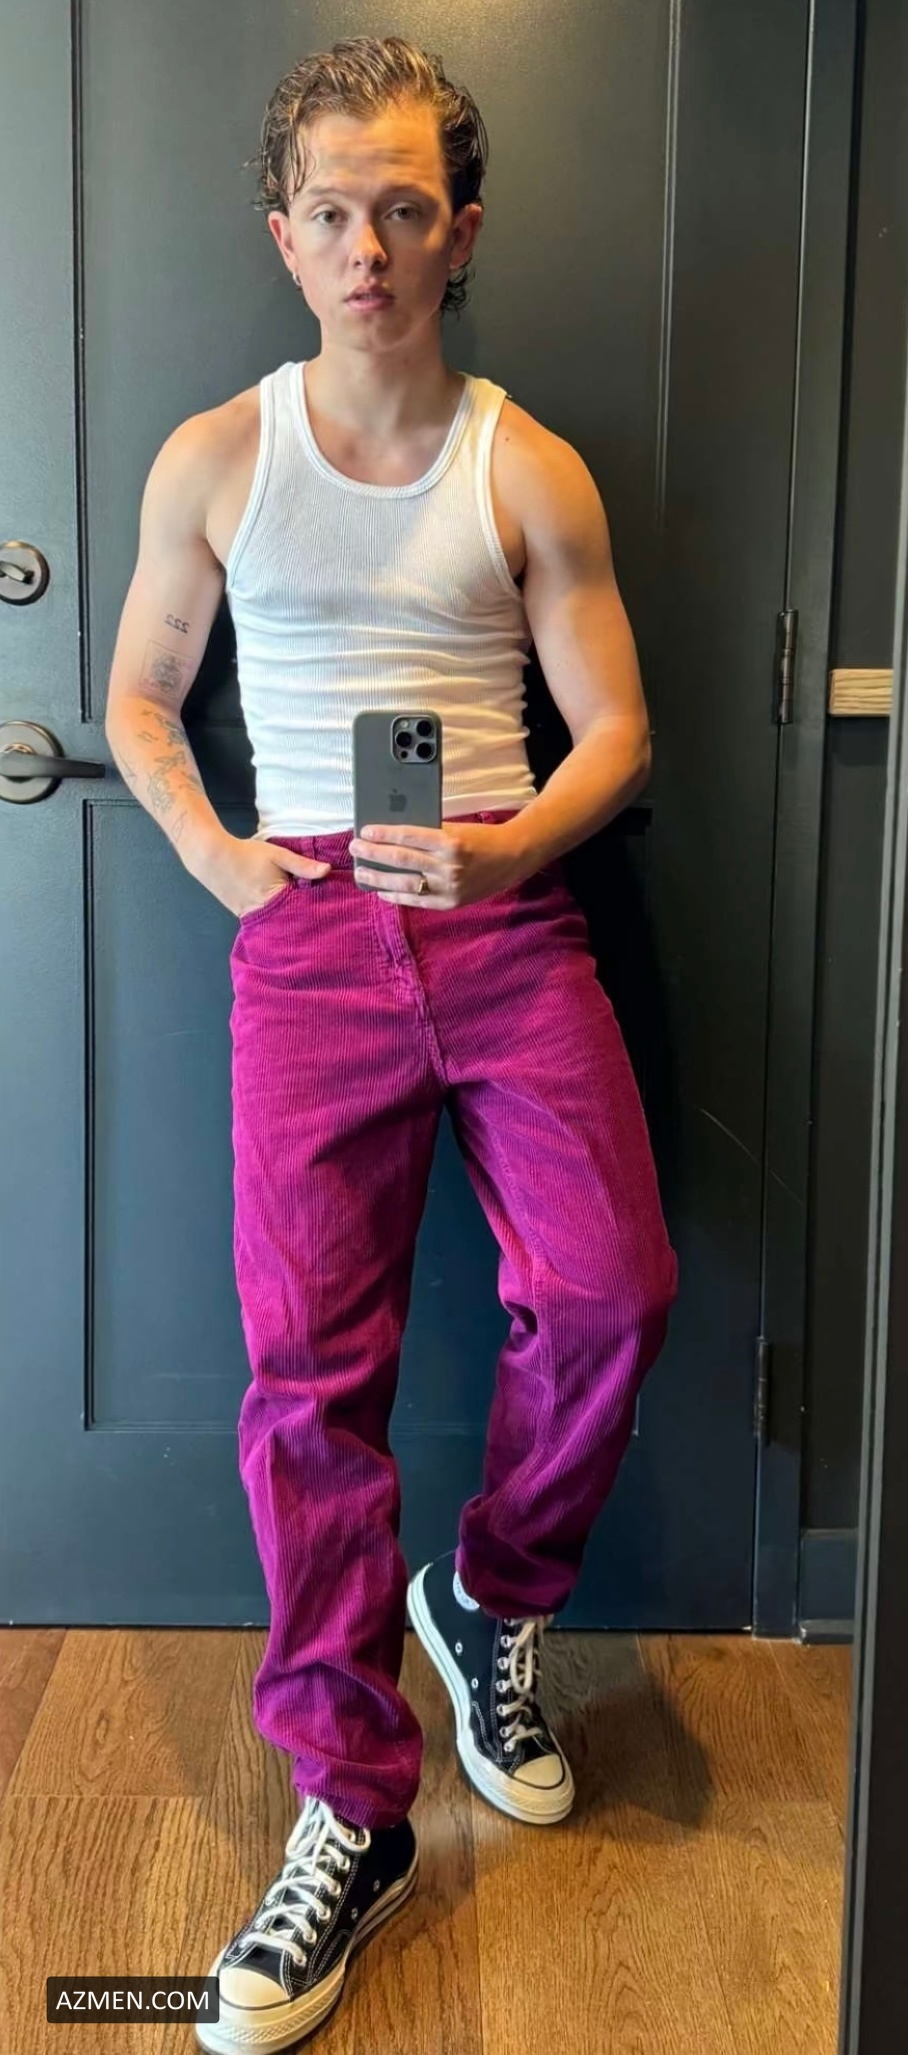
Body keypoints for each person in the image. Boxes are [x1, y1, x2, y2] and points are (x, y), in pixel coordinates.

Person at [104, 32, 678, 2054]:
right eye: (333, 211)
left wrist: (507, 844)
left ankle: (493, 1595)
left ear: (461, 231)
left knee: (613, 1286)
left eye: (404, 209)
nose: (368, 247)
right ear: (285, 236)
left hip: (505, 915)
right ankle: (348, 1808)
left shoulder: (529, 462)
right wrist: (222, 859)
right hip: (310, 943)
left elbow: (618, 727)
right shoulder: (215, 457)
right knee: (308, 1378)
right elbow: (142, 692)